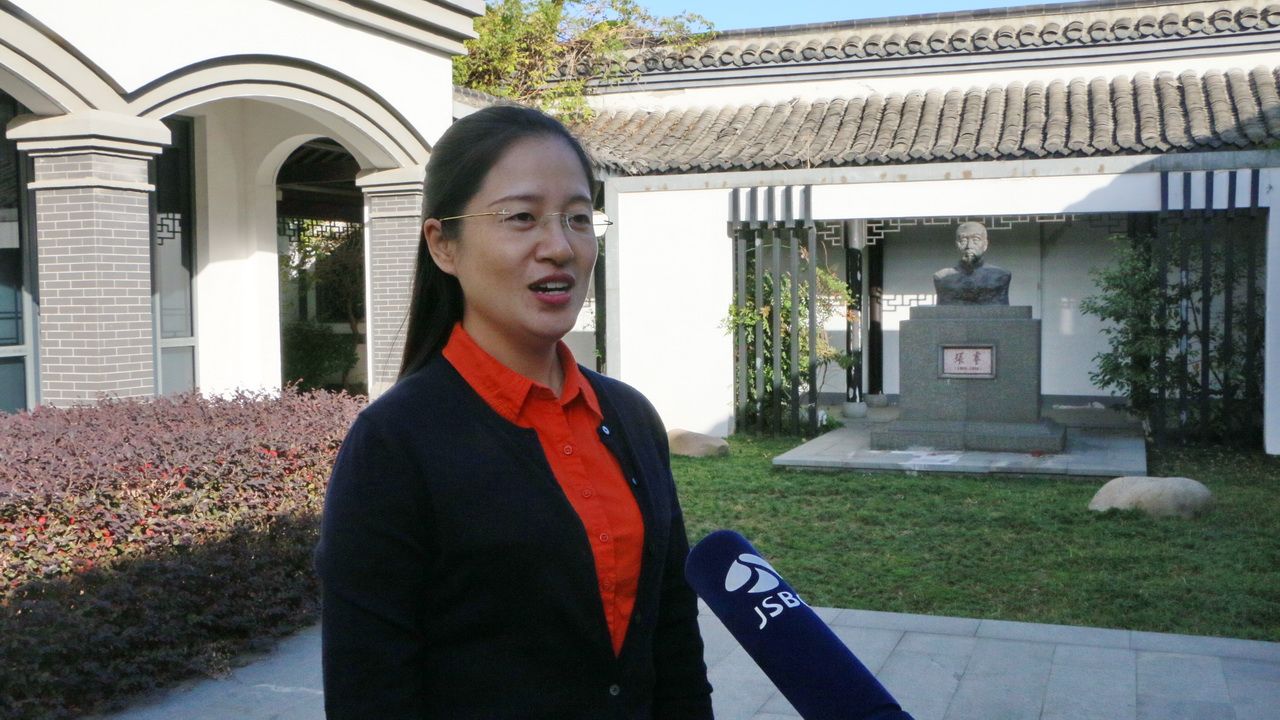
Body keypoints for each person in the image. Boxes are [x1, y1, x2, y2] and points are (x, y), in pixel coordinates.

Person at [315, 105, 714, 719]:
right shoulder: (394, 443)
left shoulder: (631, 417)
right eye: (522, 217)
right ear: (443, 245)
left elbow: (672, 633)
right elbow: (370, 692)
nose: (560, 247)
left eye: (578, 218)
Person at [932, 221, 1011, 305]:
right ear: (956, 244)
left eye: (975, 240)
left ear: (985, 245)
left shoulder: (1000, 276)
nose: (969, 246)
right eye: (963, 240)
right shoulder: (942, 278)